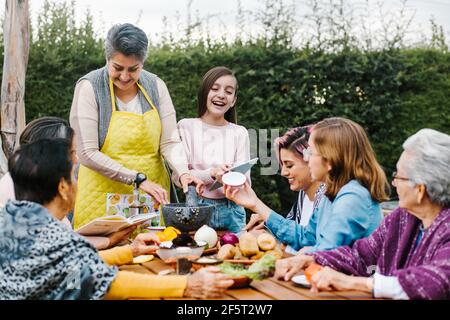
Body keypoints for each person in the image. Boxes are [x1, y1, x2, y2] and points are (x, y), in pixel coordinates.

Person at [0, 139, 233, 299]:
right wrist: (187, 285)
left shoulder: (12, 219)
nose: (77, 184)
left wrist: (130, 250)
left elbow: (73, 265)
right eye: (73, 176)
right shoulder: (52, 235)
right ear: (62, 186)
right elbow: (109, 284)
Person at [274, 129, 450, 300]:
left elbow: (435, 283)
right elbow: (361, 254)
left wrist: (354, 283)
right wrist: (311, 259)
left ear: (420, 190)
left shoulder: (446, 228)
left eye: (399, 177)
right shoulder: (402, 218)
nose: (394, 183)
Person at [70, 23, 202, 229]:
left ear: (143, 62)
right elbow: (87, 152)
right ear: (107, 59)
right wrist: (138, 180)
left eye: (133, 69)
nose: (124, 76)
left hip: (152, 196)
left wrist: (183, 172)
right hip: (100, 196)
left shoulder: (156, 86)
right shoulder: (90, 87)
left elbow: (170, 141)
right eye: (117, 67)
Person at [225, 117, 388, 253]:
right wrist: (255, 203)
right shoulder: (331, 192)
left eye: (311, 152)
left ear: (330, 160)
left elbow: (327, 251)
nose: (307, 158)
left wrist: (301, 252)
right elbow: (306, 237)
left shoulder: (353, 197)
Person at [0, 116, 133, 250]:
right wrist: (114, 244)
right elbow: (48, 249)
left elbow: (59, 238)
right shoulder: (17, 186)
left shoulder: (44, 182)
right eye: (71, 153)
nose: (76, 159)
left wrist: (110, 239)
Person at [177, 66, 251, 233]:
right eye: (215, 88)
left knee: (239, 255)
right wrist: (212, 173)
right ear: (204, 93)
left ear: (233, 100)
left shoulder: (240, 133)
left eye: (229, 91)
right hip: (197, 207)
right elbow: (179, 176)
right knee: (197, 255)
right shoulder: (185, 126)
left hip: (233, 209)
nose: (221, 95)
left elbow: (246, 180)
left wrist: (230, 176)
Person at [242, 126, 326, 254]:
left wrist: (258, 206)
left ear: (312, 161)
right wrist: (267, 223)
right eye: (282, 165)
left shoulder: (327, 198)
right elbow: (290, 232)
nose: (283, 172)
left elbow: (308, 240)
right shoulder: (303, 195)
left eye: (289, 165)